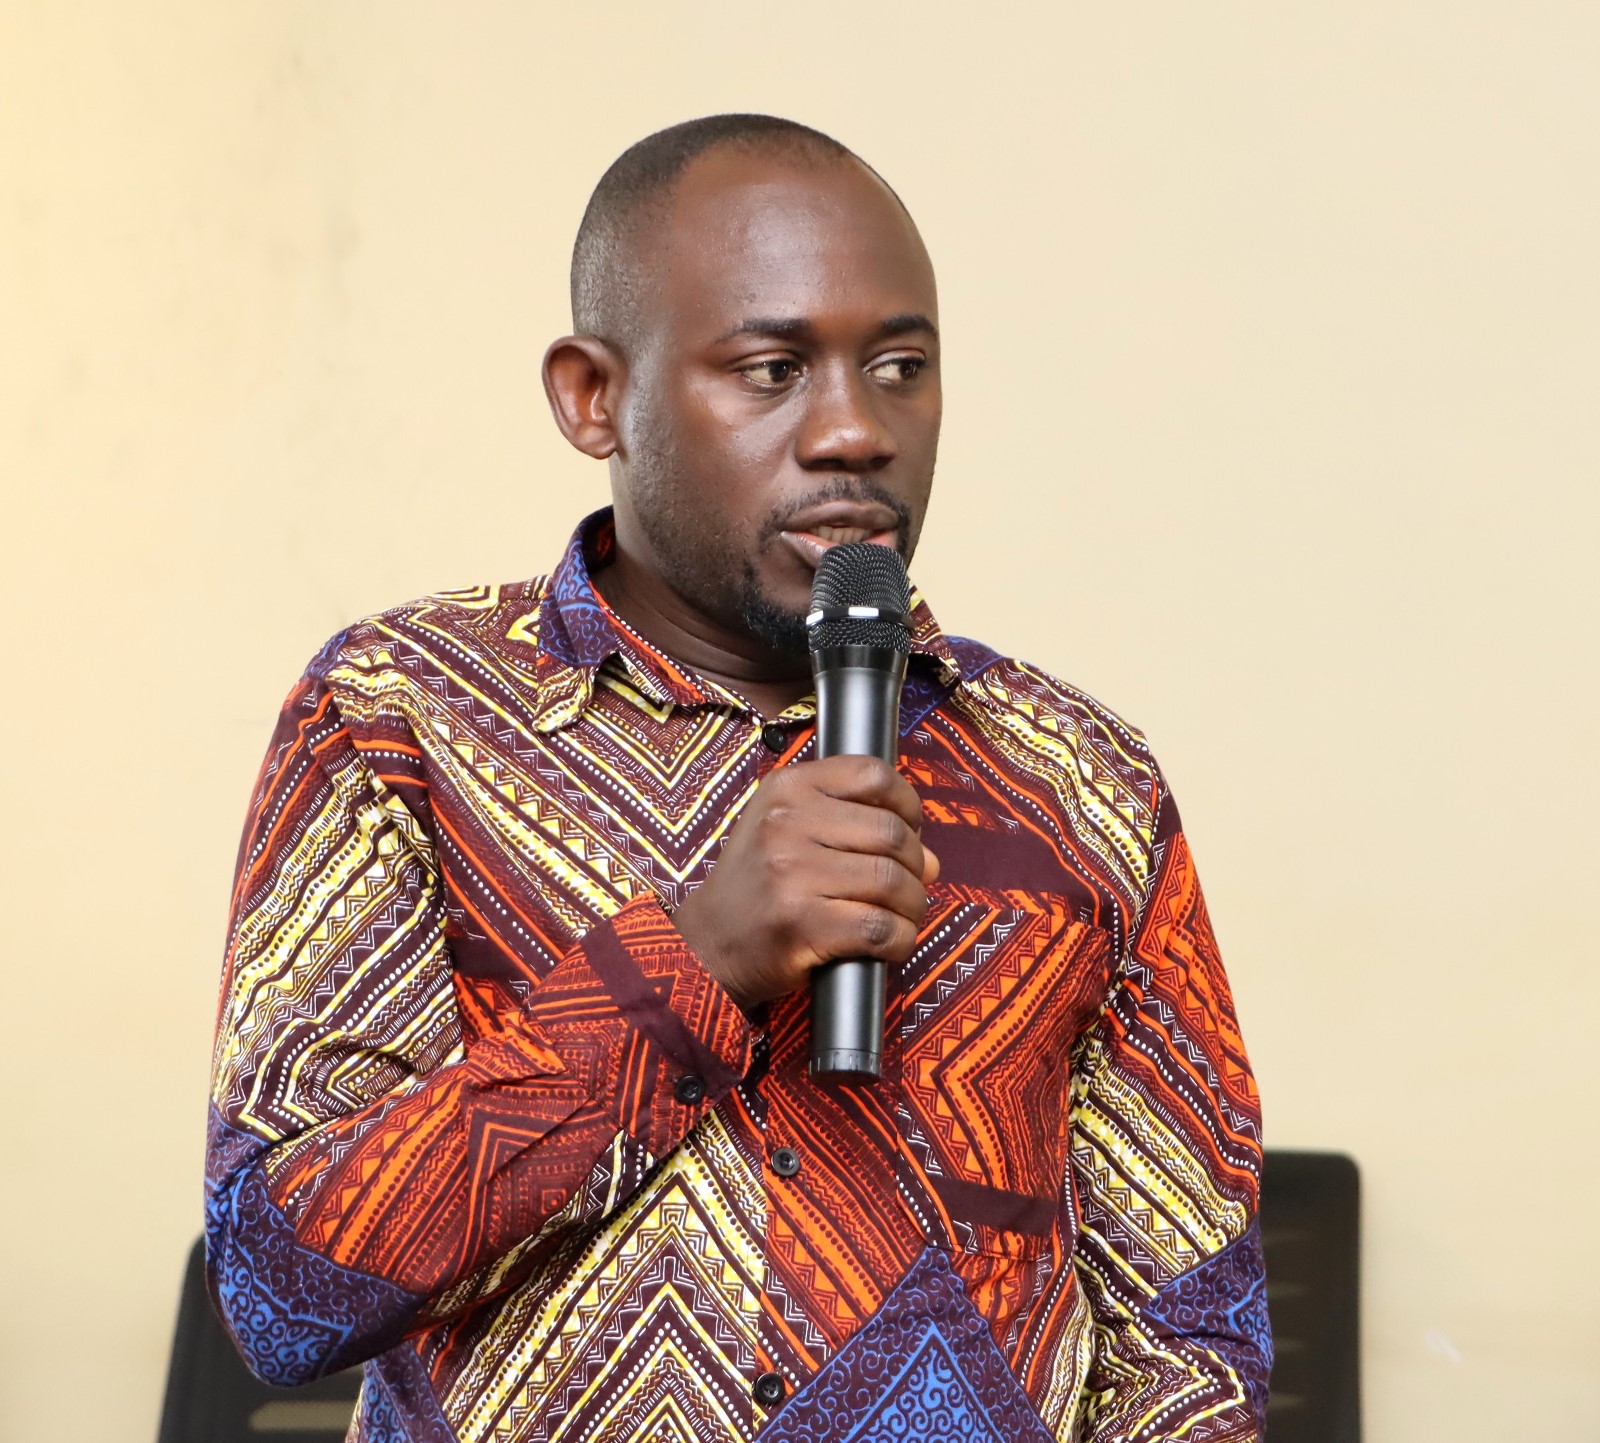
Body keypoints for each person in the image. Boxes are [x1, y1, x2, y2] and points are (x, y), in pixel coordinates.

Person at [204, 114, 1271, 1443]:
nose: (854, 433)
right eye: (772, 370)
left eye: (901, 368)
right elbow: (281, 1288)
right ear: (595, 396)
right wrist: (692, 963)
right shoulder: (397, 721)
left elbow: (1194, 1344)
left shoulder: (1079, 775)